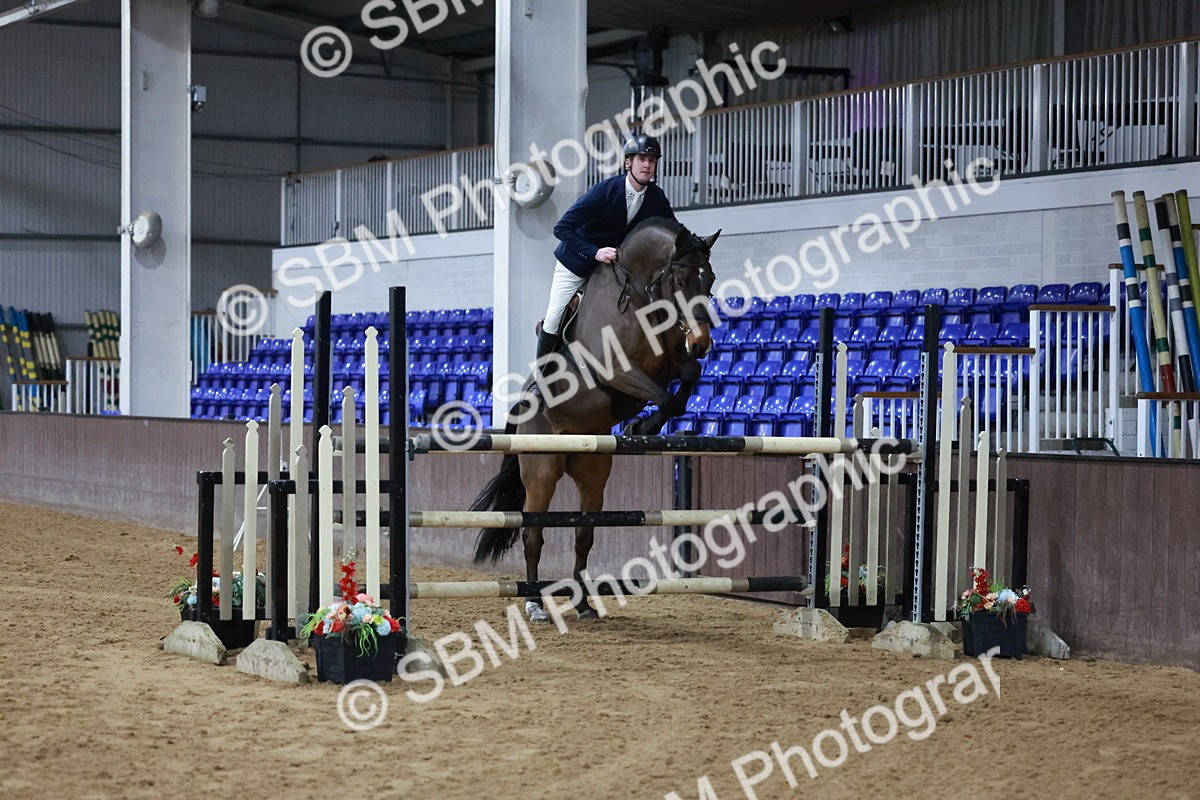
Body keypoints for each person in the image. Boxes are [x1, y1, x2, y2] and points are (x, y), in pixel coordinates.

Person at [533, 133, 677, 385]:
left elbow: (674, 233)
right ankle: (539, 381)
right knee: (554, 317)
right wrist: (594, 252)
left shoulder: (656, 198)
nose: (647, 165)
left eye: (652, 160)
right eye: (642, 159)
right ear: (628, 163)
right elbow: (562, 228)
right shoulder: (605, 190)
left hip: (610, 270)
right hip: (575, 264)